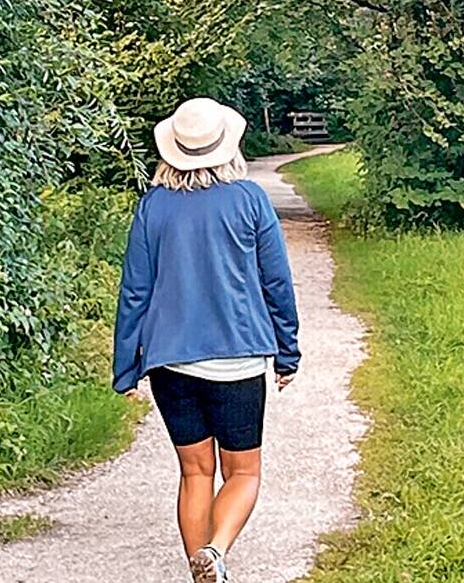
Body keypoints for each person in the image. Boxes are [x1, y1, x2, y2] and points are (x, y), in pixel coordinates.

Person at [112, 97, 301, 583]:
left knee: (195, 473)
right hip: (237, 360)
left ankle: (202, 570)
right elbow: (276, 282)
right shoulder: (249, 200)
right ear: (228, 147)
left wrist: (125, 367)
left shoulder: (153, 206)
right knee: (243, 473)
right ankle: (215, 552)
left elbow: (135, 291)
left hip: (170, 365)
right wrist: (287, 352)